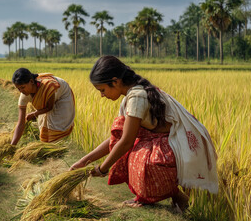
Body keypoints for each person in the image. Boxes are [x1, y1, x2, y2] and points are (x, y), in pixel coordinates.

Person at [70, 56, 218, 212]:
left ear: (115, 82)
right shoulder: (132, 95)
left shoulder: (137, 97)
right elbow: (117, 139)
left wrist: (103, 168)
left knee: (138, 157)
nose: (101, 95)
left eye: (102, 90)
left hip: (175, 149)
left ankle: (173, 196)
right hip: (167, 145)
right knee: (131, 151)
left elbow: (126, 141)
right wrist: (84, 161)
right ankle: (163, 197)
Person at [10, 68, 75, 145]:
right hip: (48, 99)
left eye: (23, 87)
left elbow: (49, 107)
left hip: (62, 94)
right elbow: (21, 123)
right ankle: (48, 145)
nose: (21, 91)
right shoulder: (23, 96)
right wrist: (12, 145)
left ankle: (58, 146)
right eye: (18, 88)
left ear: (31, 81)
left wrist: (35, 114)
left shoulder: (48, 87)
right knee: (44, 125)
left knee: (56, 125)